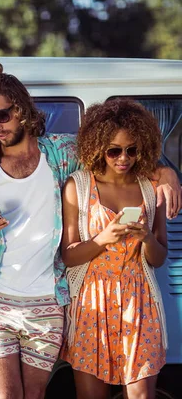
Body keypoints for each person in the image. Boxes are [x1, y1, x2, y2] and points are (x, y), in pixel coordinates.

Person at [0, 63, 180, 399]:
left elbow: (118, 155)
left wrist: (165, 173)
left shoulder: (63, 153)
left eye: (1, 116)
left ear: (20, 110)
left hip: (49, 302)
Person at [61, 99, 167, 399]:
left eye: (132, 149)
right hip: (91, 301)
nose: (124, 158)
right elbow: (68, 256)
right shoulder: (79, 186)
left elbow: (159, 258)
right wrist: (102, 238)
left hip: (140, 300)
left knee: (142, 395)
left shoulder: (150, 188)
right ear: (97, 147)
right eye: (114, 150)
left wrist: (146, 237)